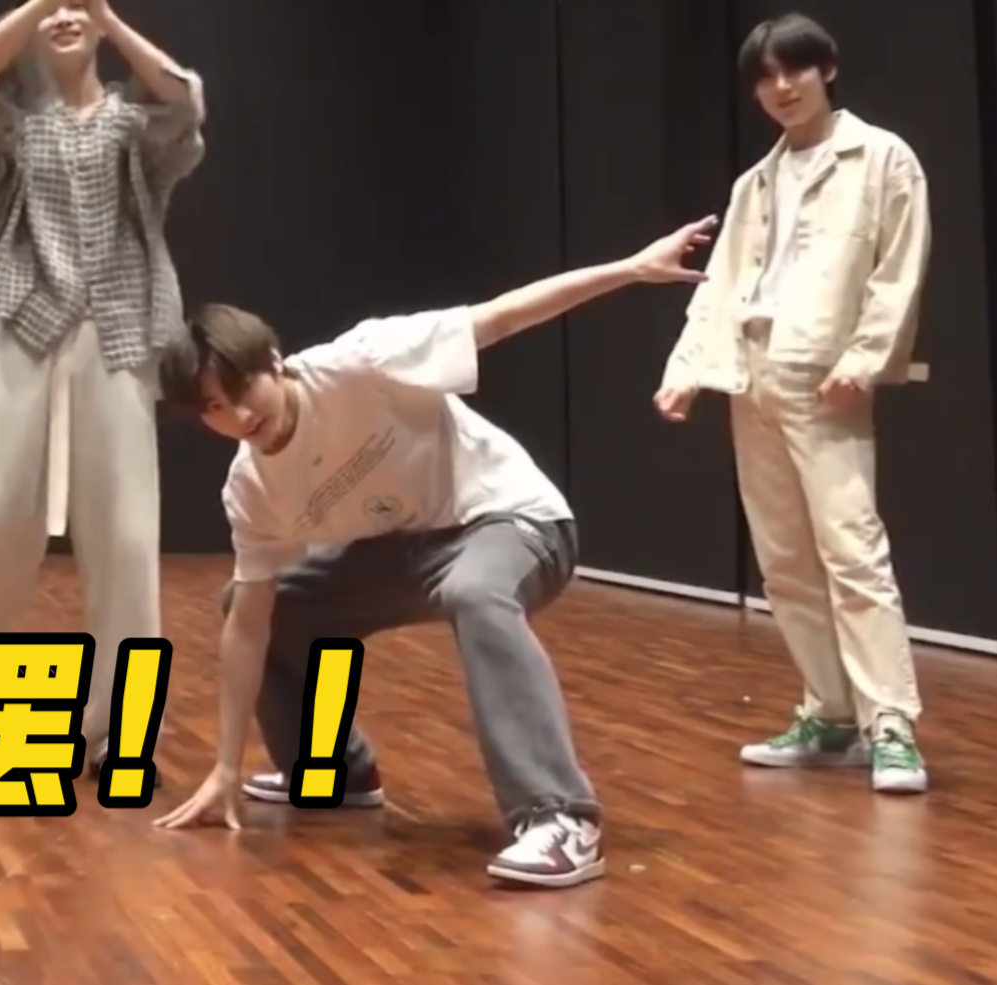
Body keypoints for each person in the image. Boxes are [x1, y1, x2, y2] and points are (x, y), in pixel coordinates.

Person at [148, 217, 720, 889]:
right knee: (264, 605)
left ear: (273, 361)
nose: (239, 417)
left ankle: (560, 816)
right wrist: (224, 765)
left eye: (242, 390)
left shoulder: (362, 362)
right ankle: (331, 771)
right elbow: (247, 627)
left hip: (511, 518)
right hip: (406, 548)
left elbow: (502, 316)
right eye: (214, 408)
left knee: (474, 590)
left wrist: (630, 268)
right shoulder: (251, 487)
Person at [0, 0, 205, 777]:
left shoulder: (135, 125)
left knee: (125, 538)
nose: (66, 16)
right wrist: (43, 4)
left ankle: (116, 731)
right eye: (55, 11)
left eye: (80, 8)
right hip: (20, 323)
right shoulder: (13, 121)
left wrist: (103, 14)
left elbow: (183, 99)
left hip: (117, 334)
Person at [653, 13, 931, 795]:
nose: (781, 87)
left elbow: (897, 270)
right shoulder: (755, 182)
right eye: (765, 77)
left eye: (794, 70)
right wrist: (688, 368)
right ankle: (828, 710)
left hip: (823, 373)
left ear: (825, 69)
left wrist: (864, 357)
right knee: (782, 558)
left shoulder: (881, 158)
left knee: (851, 548)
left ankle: (889, 722)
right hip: (752, 373)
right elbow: (724, 284)